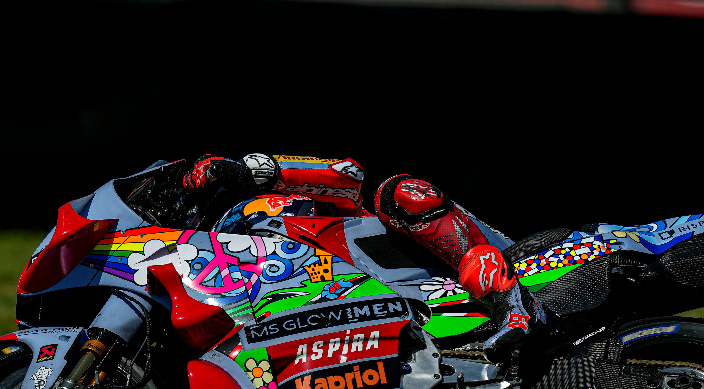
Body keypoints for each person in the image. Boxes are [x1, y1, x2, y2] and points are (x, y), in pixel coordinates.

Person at [164, 152, 546, 357]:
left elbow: (347, 175)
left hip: (507, 265)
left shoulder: (322, 217)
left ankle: (514, 304)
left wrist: (254, 172)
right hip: (413, 339)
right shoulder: (261, 295)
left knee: (399, 192)